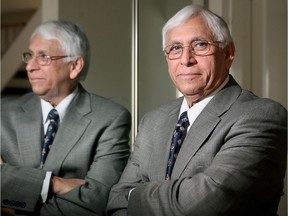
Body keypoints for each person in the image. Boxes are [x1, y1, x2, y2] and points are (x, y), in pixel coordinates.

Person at [106, 4, 287, 216]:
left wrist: (133, 195)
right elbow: (115, 202)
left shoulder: (261, 116)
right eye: (175, 48)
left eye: (200, 45)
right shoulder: (153, 121)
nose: (186, 59)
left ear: (228, 53)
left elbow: (201, 205)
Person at [1, 20, 131, 216]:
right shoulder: (2, 113)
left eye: (43, 57)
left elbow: (99, 200)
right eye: (29, 56)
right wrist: (54, 184)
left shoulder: (110, 118)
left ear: (75, 66)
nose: (29, 66)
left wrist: (14, 193)